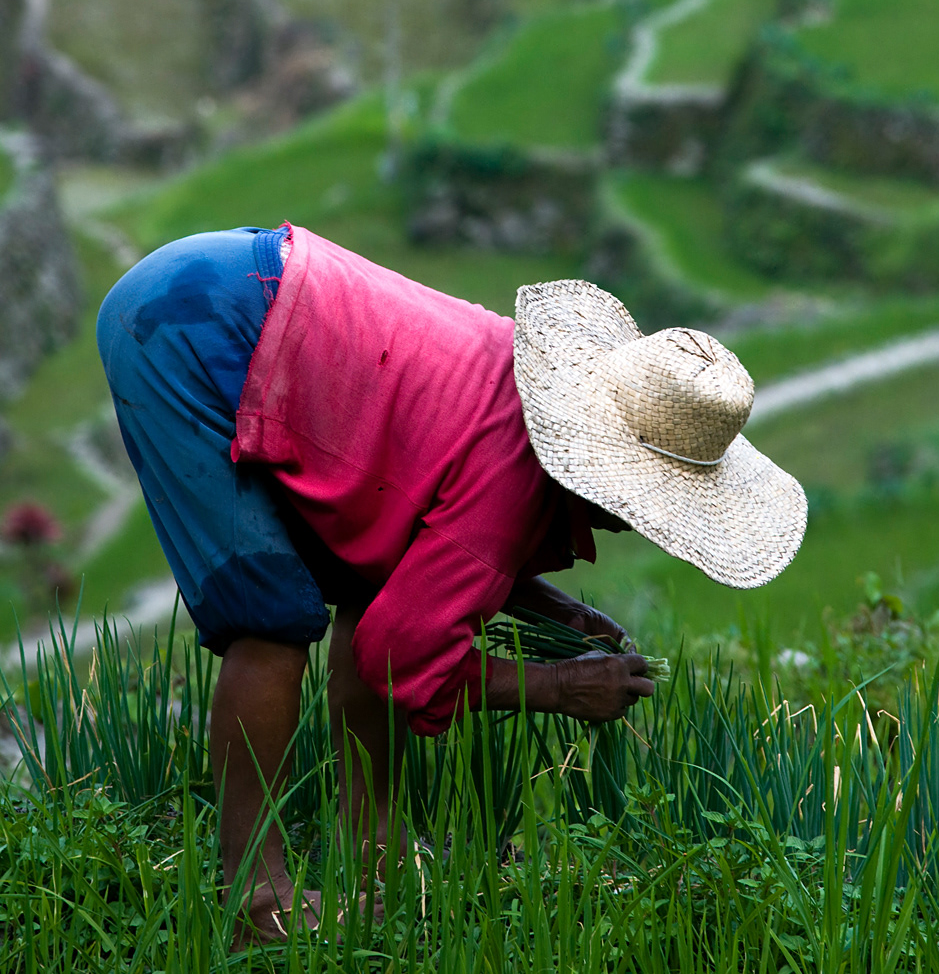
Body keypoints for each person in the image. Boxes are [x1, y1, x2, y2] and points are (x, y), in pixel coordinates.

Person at [97, 223, 805, 944]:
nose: (641, 523)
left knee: (376, 585)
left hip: (252, 284)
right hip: (191, 326)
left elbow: (429, 546)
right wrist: (560, 688)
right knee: (271, 622)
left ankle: (370, 847)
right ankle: (255, 898)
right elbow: (399, 657)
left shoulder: (530, 397)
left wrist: (555, 612)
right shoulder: (511, 480)